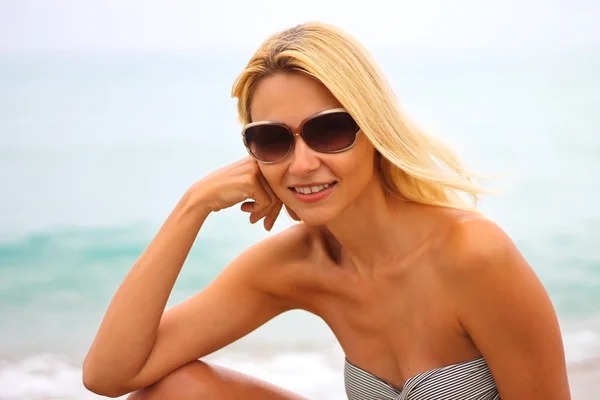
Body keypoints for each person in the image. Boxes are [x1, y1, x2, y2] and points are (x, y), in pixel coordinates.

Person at [82, 22, 571, 399]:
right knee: (176, 390)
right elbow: (110, 375)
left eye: (329, 131)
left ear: (374, 129)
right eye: (272, 140)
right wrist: (192, 206)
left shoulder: (472, 255)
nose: (302, 164)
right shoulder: (295, 265)